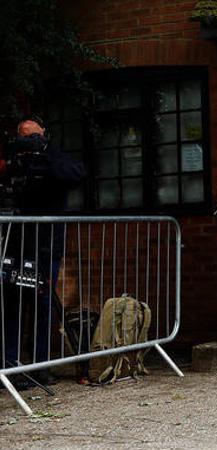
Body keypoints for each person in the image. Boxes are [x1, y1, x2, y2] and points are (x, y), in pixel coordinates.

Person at [1, 114, 86, 387]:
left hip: (46, 245)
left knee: (42, 305)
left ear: (44, 134)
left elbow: (76, 175)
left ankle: (41, 366)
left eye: (34, 136)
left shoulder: (54, 158)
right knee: (12, 305)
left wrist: (44, 152)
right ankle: (9, 366)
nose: (30, 142)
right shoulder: (12, 161)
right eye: (24, 137)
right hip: (14, 244)